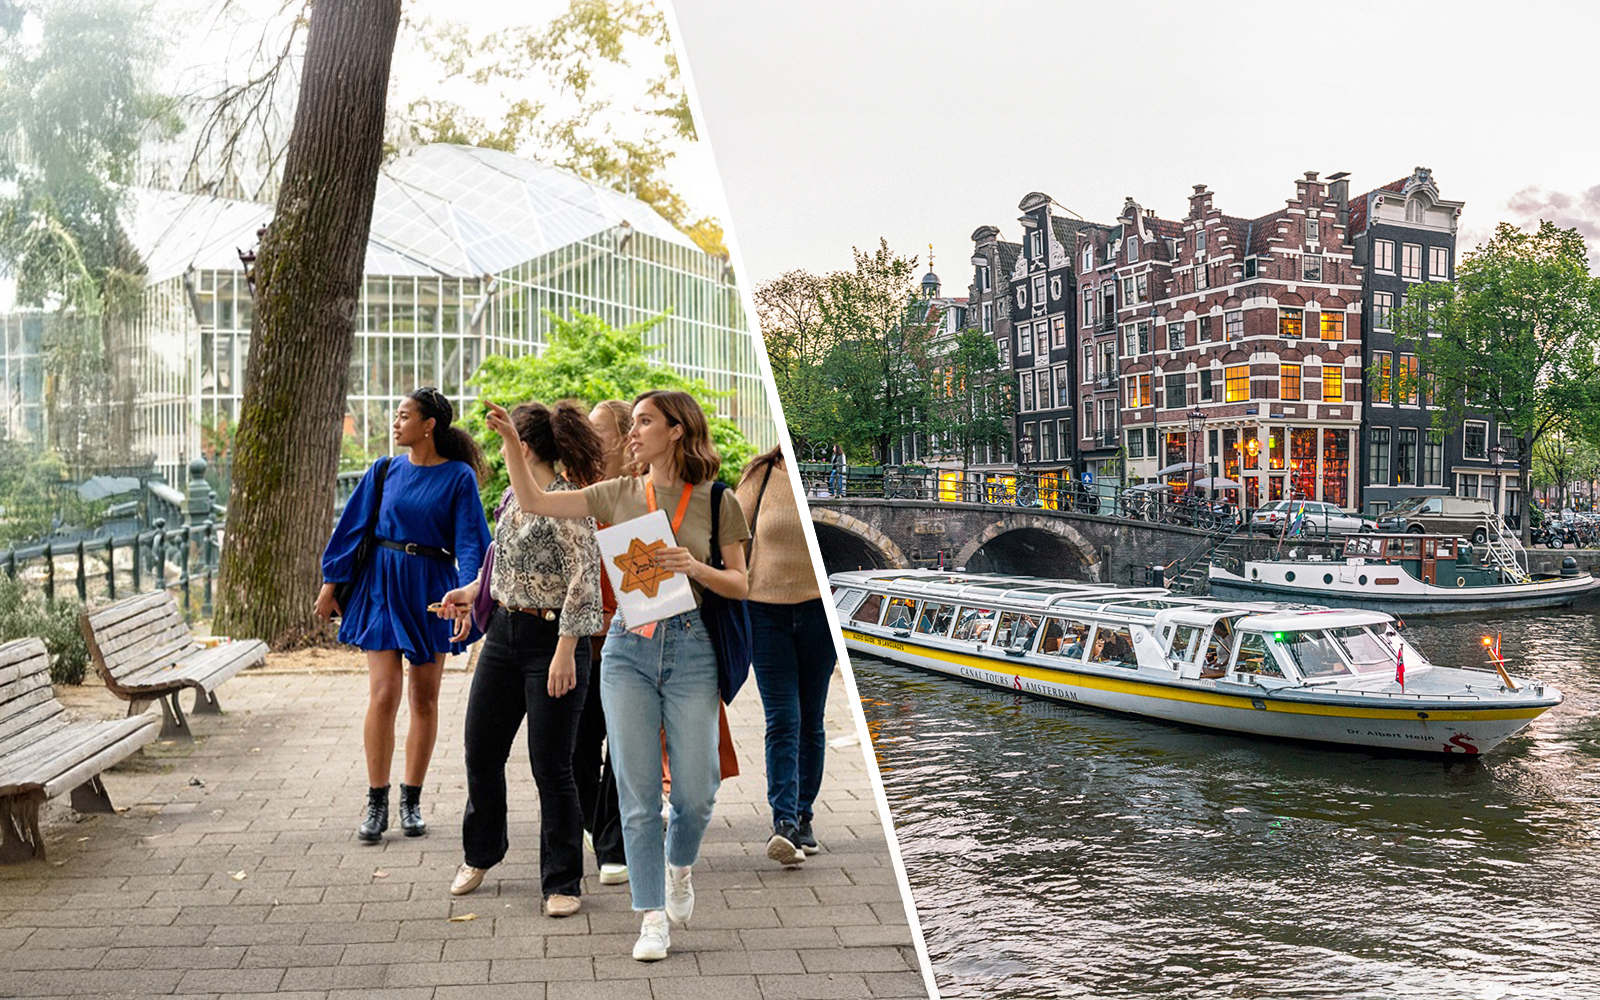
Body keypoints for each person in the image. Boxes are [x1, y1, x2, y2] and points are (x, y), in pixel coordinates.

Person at [484, 389, 750, 963]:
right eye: (634, 423)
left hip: (692, 647)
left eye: (646, 422)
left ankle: (679, 868)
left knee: (698, 792)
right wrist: (511, 445)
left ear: (677, 430)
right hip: (627, 647)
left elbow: (741, 584)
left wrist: (694, 566)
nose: (633, 431)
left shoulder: (717, 499)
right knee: (635, 792)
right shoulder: (617, 493)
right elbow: (532, 498)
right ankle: (651, 916)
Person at [435, 400, 605, 918]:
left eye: (508, 443)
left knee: (551, 766)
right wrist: (468, 593)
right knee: (480, 749)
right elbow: (501, 566)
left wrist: (564, 653)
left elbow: (585, 577)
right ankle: (481, 851)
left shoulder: (565, 500)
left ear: (523, 446)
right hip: (503, 636)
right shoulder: (513, 496)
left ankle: (563, 882)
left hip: (552, 640)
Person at [317, 387, 490, 844]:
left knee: (425, 698)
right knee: (383, 694)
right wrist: (330, 584)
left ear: (429, 424)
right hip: (381, 584)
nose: (396, 423)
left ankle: (411, 800)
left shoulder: (458, 477)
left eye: (403, 415)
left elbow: (472, 541)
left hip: (432, 587)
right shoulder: (383, 470)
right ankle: (376, 802)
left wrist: (468, 593)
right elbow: (350, 527)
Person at [737, 447, 835, 867]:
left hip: (819, 613)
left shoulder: (827, 473)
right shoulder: (759, 476)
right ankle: (785, 822)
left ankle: (804, 815)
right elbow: (732, 541)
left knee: (811, 718)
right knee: (783, 718)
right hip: (765, 612)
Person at [573, 399, 632, 887]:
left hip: (626, 637)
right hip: (582, 641)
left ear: (623, 436)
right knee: (576, 749)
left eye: (599, 429)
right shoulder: (578, 494)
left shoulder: (638, 496)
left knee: (622, 749)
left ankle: (614, 847)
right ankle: (598, 827)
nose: (590, 436)